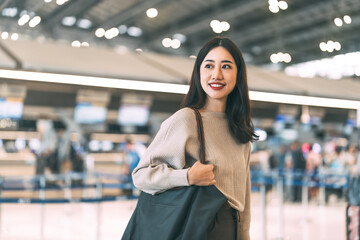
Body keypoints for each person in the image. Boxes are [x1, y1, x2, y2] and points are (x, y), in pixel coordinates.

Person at [132, 37, 257, 240]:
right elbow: (141, 175)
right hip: (199, 229)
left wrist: (244, 236)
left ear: (238, 74)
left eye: (226, 66)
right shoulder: (186, 119)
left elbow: (244, 200)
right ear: (199, 72)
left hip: (230, 230)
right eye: (209, 66)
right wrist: (187, 176)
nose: (216, 75)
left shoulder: (240, 130)